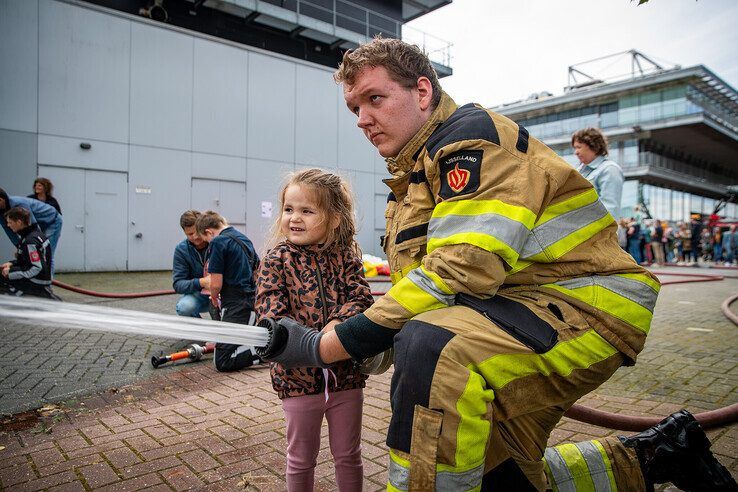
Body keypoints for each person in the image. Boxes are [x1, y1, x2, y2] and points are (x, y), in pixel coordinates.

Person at [260, 38, 735, 491]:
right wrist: (359, 347)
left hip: (587, 306)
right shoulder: (413, 181)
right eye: (354, 108)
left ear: (422, 91)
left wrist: (330, 345)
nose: (363, 118)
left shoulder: (472, 144)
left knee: (436, 353)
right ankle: (661, 455)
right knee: (495, 474)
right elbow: (422, 299)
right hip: (515, 319)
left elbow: (459, 271)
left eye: (375, 99)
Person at [255, 168, 373, 491]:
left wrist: (337, 325)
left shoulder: (346, 257)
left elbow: (361, 297)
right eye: (289, 209)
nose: (295, 218)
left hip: (346, 377)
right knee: (300, 458)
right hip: (297, 381)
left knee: (348, 454)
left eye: (307, 211)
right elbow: (271, 314)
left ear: (334, 218)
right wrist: (316, 345)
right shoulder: (276, 260)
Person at [195, 211, 260, 372]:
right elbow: (258, 269)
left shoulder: (218, 242)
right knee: (231, 345)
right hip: (250, 300)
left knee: (222, 361)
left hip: (235, 304)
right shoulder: (243, 238)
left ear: (209, 232)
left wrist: (214, 296)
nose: (208, 242)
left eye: (206, 239)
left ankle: (263, 352)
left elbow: (215, 282)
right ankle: (254, 342)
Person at [0, 207, 59, 299]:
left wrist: (10, 272)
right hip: (42, 279)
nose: (8, 225)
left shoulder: (30, 241)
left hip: (37, 281)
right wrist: (11, 263)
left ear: (19, 222)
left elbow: (35, 268)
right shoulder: (35, 234)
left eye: (10, 222)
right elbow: (27, 261)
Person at [0, 187, 63, 270]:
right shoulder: (0, 211)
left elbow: (33, 227)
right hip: (37, 222)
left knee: (46, 253)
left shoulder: (18, 204)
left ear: (1, 200)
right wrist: (19, 247)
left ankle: (47, 280)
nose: (8, 224)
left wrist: (34, 245)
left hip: (52, 220)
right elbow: (9, 230)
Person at [572, 127, 624, 219]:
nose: (575, 152)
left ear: (593, 146)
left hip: (595, 231)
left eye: (578, 147)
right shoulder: (579, 171)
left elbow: (610, 210)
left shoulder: (609, 170)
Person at [172, 210, 211, 318]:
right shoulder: (181, 250)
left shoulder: (216, 243)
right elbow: (178, 284)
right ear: (184, 232)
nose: (195, 237)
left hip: (223, 294)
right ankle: (199, 331)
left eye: (197, 232)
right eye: (189, 234)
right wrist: (201, 282)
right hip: (198, 295)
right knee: (184, 307)